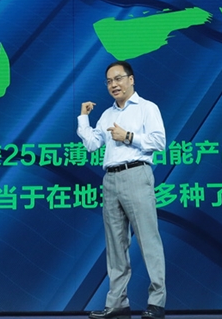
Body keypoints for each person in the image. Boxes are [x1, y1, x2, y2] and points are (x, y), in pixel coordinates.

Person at [77, 60, 167, 319]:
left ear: (131, 79)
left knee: (148, 240)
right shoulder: (107, 115)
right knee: (115, 244)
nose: (113, 85)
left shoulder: (147, 108)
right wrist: (83, 118)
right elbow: (92, 144)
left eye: (118, 79)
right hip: (111, 179)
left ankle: (156, 302)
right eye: (109, 81)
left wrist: (128, 136)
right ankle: (117, 303)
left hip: (136, 174)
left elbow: (159, 141)